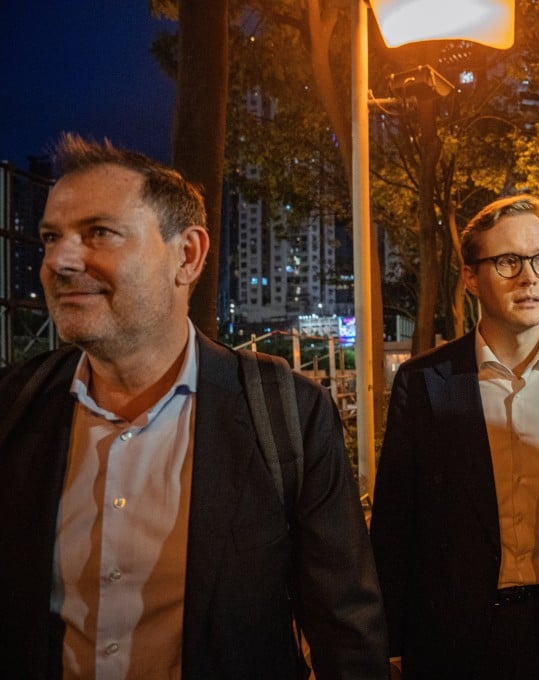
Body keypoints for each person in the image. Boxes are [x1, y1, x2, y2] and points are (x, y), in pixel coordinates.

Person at [0, 134, 389, 679]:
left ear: (187, 255)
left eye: (99, 233)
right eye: (50, 238)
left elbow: (347, 630)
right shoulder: (14, 406)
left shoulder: (286, 413)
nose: (59, 261)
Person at [370, 194, 539, 679]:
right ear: (471, 277)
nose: (529, 277)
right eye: (508, 261)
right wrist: (388, 641)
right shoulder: (425, 381)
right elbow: (395, 520)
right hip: (451, 639)